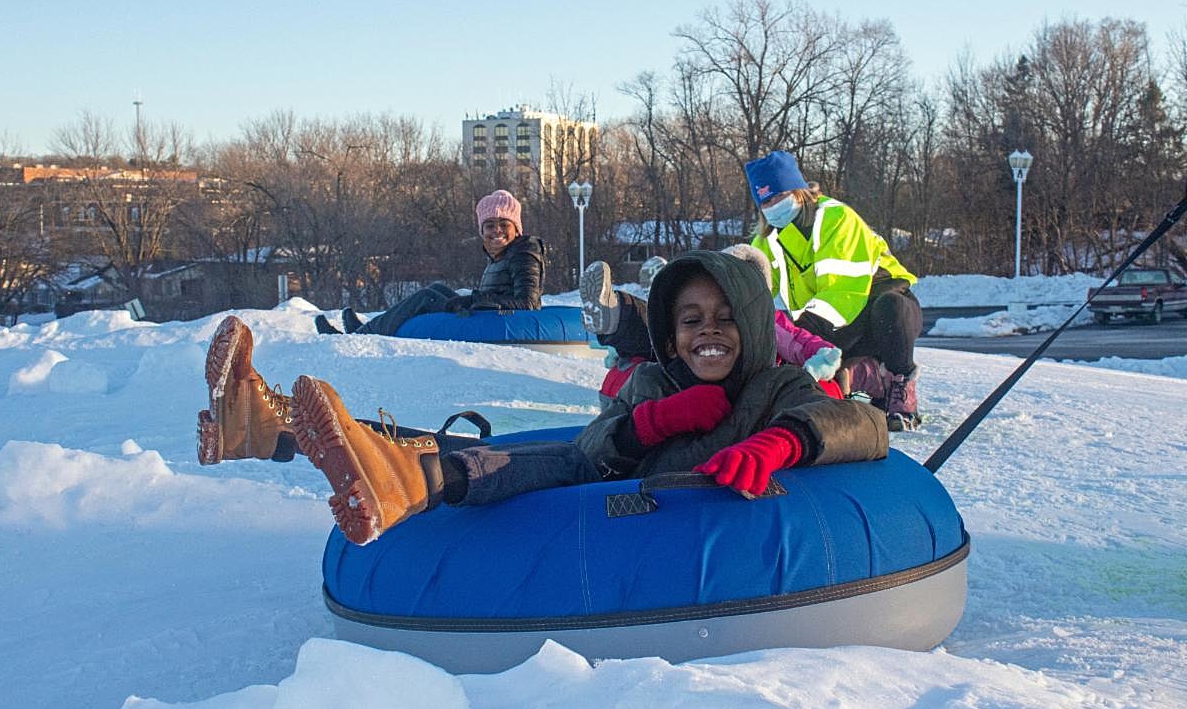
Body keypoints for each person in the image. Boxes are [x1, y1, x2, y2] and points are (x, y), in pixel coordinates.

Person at [198, 250, 887, 545]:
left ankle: (276, 432)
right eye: (690, 320)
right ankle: (279, 432)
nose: (709, 331)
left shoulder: (778, 388)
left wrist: (784, 439)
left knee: (529, 459)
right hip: (615, 502)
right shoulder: (654, 383)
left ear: (753, 323)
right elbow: (594, 450)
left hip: (700, 533)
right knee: (527, 458)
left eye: (725, 317)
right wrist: (650, 422)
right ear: (671, 337)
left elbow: (861, 422)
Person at [746, 151, 923, 431]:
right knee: (812, 365)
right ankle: (868, 377)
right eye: (766, 201)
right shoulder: (765, 242)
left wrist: (803, 340)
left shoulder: (835, 218)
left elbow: (843, 292)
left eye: (779, 196)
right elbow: (756, 296)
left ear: (798, 191)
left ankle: (900, 386)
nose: (773, 205)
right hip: (836, 321)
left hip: (877, 303)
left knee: (891, 308)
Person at [591, 244, 845, 406]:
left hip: (751, 375)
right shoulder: (661, 370)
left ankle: (619, 318)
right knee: (654, 330)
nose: (711, 326)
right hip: (689, 368)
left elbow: (798, 341)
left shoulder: (771, 326)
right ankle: (617, 317)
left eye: (728, 316)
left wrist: (820, 358)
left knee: (659, 328)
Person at [316, 189, 546, 336]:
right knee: (436, 289)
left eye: (504, 224)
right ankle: (367, 328)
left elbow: (528, 302)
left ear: (516, 229)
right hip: (487, 313)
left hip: (502, 320)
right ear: (481, 230)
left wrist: (477, 300)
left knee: (427, 297)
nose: (496, 230)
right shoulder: (502, 255)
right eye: (490, 225)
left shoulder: (523, 254)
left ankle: (364, 334)